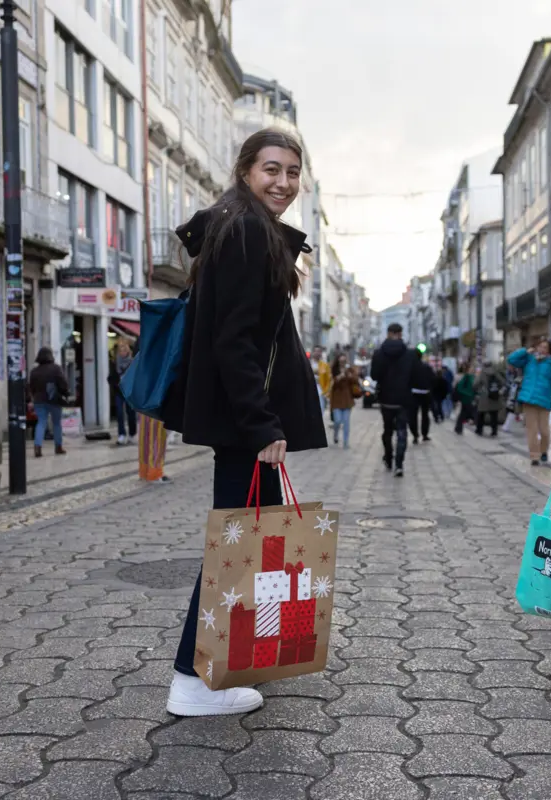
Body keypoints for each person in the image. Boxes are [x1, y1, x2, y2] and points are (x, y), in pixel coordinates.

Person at [162, 127, 326, 717]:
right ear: (245, 171)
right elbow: (233, 341)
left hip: (242, 418)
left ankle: (231, 661)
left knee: (247, 541)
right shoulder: (246, 230)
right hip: (243, 422)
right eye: (271, 170)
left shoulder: (246, 226)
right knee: (232, 548)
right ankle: (192, 681)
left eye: (292, 172)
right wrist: (261, 425)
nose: (283, 182)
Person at [507, 338, 551, 466]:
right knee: (531, 430)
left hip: (544, 400)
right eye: (540, 346)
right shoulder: (529, 359)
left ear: (549, 350)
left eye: (545, 347)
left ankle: (543, 451)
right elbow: (511, 360)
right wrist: (525, 351)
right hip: (528, 399)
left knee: (544, 431)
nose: (542, 349)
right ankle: (534, 456)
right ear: (536, 347)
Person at [370, 322, 413, 476]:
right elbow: (414, 377)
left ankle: (388, 457)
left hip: (386, 399)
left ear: (388, 333)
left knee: (387, 430)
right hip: (403, 399)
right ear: (400, 334)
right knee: (402, 431)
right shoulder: (409, 354)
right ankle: (399, 464)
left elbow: (374, 376)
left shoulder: (379, 353)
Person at [29, 347, 69, 458]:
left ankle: (37, 447)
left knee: (41, 422)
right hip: (54, 399)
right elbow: (63, 383)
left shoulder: (34, 371)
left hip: (39, 400)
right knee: (56, 423)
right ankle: (58, 446)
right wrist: (65, 392)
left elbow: (31, 387)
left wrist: (33, 397)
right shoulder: (56, 368)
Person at [108, 339, 138, 446]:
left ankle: (132, 434)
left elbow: (136, 376)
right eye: (121, 350)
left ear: (128, 351)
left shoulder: (133, 362)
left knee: (131, 414)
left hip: (129, 392)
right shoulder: (114, 362)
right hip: (119, 391)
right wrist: (115, 383)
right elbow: (110, 377)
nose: (122, 352)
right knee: (120, 413)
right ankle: (121, 434)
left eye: (124, 350)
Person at [329, 354, 359, 448]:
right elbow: (331, 383)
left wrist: (350, 375)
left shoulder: (349, 369)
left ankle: (346, 442)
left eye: (344, 361)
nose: (342, 363)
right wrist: (340, 376)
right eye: (341, 361)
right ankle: (335, 434)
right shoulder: (333, 370)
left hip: (347, 399)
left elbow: (356, 380)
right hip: (336, 399)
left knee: (346, 422)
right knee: (337, 421)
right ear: (338, 361)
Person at [474, 359, 506, 436]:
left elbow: (475, 384)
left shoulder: (482, 373)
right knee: (494, 415)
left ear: (484, 365)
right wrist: (498, 390)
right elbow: (503, 382)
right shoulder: (496, 372)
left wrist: (478, 390)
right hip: (495, 397)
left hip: (485, 397)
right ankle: (494, 431)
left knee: (481, 414)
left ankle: (479, 430)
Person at [408, 348, 434, 444]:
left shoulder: (410, 368)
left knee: (412, 416)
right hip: (426, 393)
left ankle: (415, 435)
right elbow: (433, 379)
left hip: (413, 394)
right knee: (425, 415)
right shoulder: (427, 367)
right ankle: (425, 434)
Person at [452, 364, 476, 434]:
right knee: (467, 412)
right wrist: (468, 393)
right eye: (471, 368)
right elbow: (460, 387)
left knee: (463, 413)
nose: (473, 370)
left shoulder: (473, 377)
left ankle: (458, 428)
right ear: (468, 370)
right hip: (465, 399)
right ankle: (459, 427)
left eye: (473, 368)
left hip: (470, 398)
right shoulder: (466, 377)